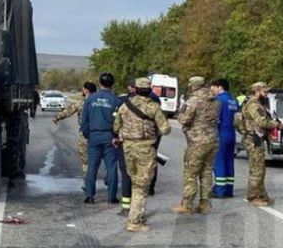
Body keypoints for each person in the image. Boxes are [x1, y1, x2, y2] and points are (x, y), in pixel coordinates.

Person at [114, 77, 171, 232]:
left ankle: (138, 214)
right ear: (149, 90)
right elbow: (165, 129)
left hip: (128, 149)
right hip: (145, 149)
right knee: (142, 186)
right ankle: (134, 221)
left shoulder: (125, 106)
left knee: (134, 182)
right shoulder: (153, 107)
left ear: (135, 89)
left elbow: (116, 126)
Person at [172, 76, 221, 215]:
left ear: (192, 86)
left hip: (197, 141)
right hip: (213, 139)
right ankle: (205, 204)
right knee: (206, 172)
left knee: (190, 173)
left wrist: (181, 112)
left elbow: (183, 119)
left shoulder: (193, 100)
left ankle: (187, 204)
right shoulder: (215, 100)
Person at [80, 73, 122, 204]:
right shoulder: (116, 100)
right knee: (111, 167)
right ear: (112, 84)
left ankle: (89, 195)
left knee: (92, 166)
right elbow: (119, 121)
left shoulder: (91, 99)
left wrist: (88, 135)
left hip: (94, 136)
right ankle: (111, 196)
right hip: (110, 136)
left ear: (99, 84)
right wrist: (116, 136)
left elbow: (84, 120)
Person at [241, 82, 283, 206]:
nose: (267, 94)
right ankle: (253, 196)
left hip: (257, 139)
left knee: (260, 169)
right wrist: (277, 125)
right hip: (253, 140)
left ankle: (262, 195)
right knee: (257, 170)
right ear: (257, 91)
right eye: (264, 92)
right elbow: (262, 122)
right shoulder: (254, 105)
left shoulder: (259, 104)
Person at [53, 81, 97, 180]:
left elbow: (68, 111)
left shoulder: (81, 103)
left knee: (86, 160)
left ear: (86, 90)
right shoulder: (99, 102)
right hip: (101, 133)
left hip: (85, 134)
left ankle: (88, 180)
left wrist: (57, 118)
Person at [210, 78, 239, 198]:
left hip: (220, 133)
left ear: (219, 87)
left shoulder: (218, 100)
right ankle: (228, 189)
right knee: (229, 162)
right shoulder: (233, 100)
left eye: (213, 88)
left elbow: (214, 119)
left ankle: (220, 190)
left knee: (219, 162)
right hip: (231, 134)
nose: (212, 90)